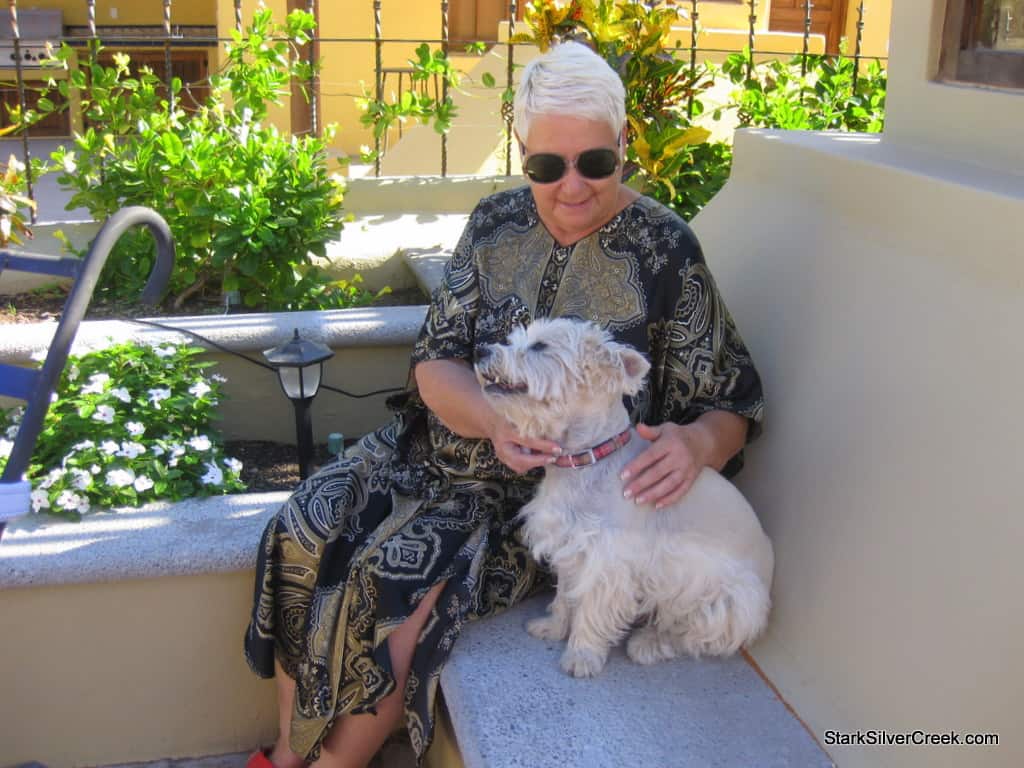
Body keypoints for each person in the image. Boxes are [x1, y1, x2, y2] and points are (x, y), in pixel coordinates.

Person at [244, 40, 764, 768]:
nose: (572, 186)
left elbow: (731, 399)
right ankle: (284, 754)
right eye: (548, 166)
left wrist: (700, 446)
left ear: (622, 145)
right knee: (303, 524)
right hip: (429, 448)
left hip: (534, 500)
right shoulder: (494, 227)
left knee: (397, 578)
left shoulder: (666, 252)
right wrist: (492, 421)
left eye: (595, 161)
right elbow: (434, 362)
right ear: (523, 153)